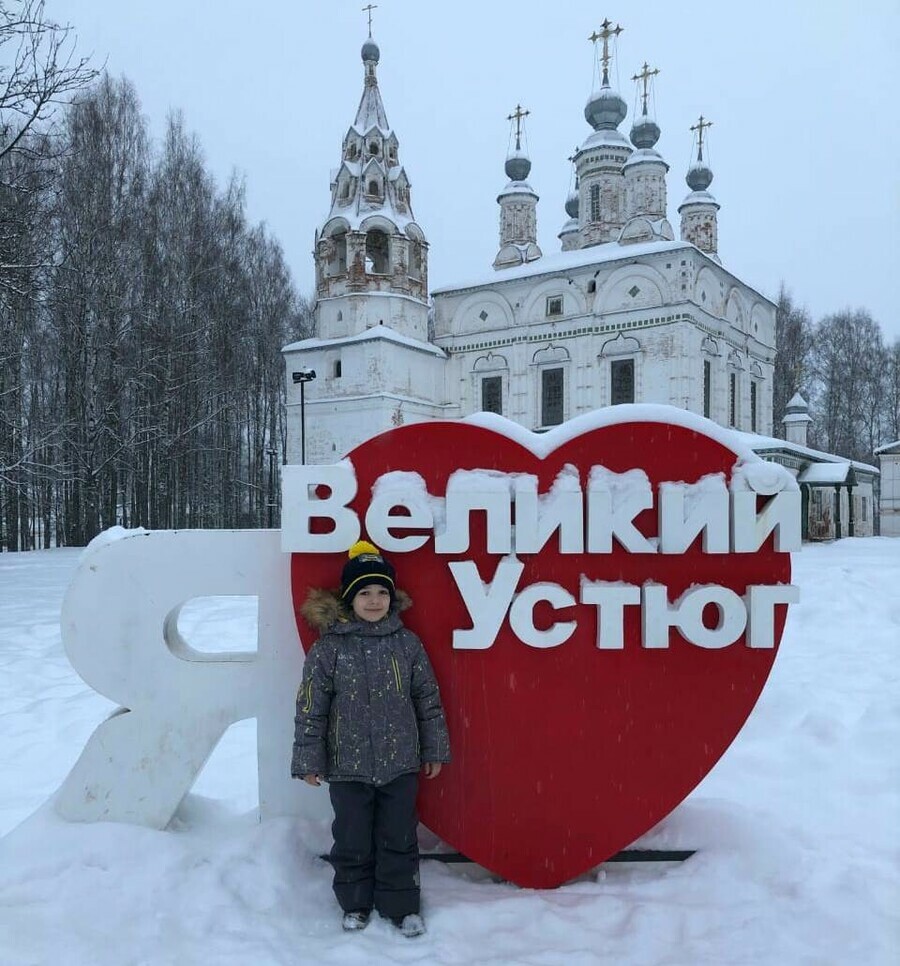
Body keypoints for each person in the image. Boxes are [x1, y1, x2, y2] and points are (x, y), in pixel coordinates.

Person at [291, 540, 451, 938]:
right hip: (348, 767)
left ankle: (401, 906)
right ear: (349, 598)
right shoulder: (329, 649)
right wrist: (310, 759)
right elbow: (312, 706)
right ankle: (355, 903)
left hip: (401, 764)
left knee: (398, 837)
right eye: (365, 592)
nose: (375, 600)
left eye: (382, 592)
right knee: (352, 838)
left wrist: (433, 749)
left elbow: (427, 698)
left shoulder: (407, 644)